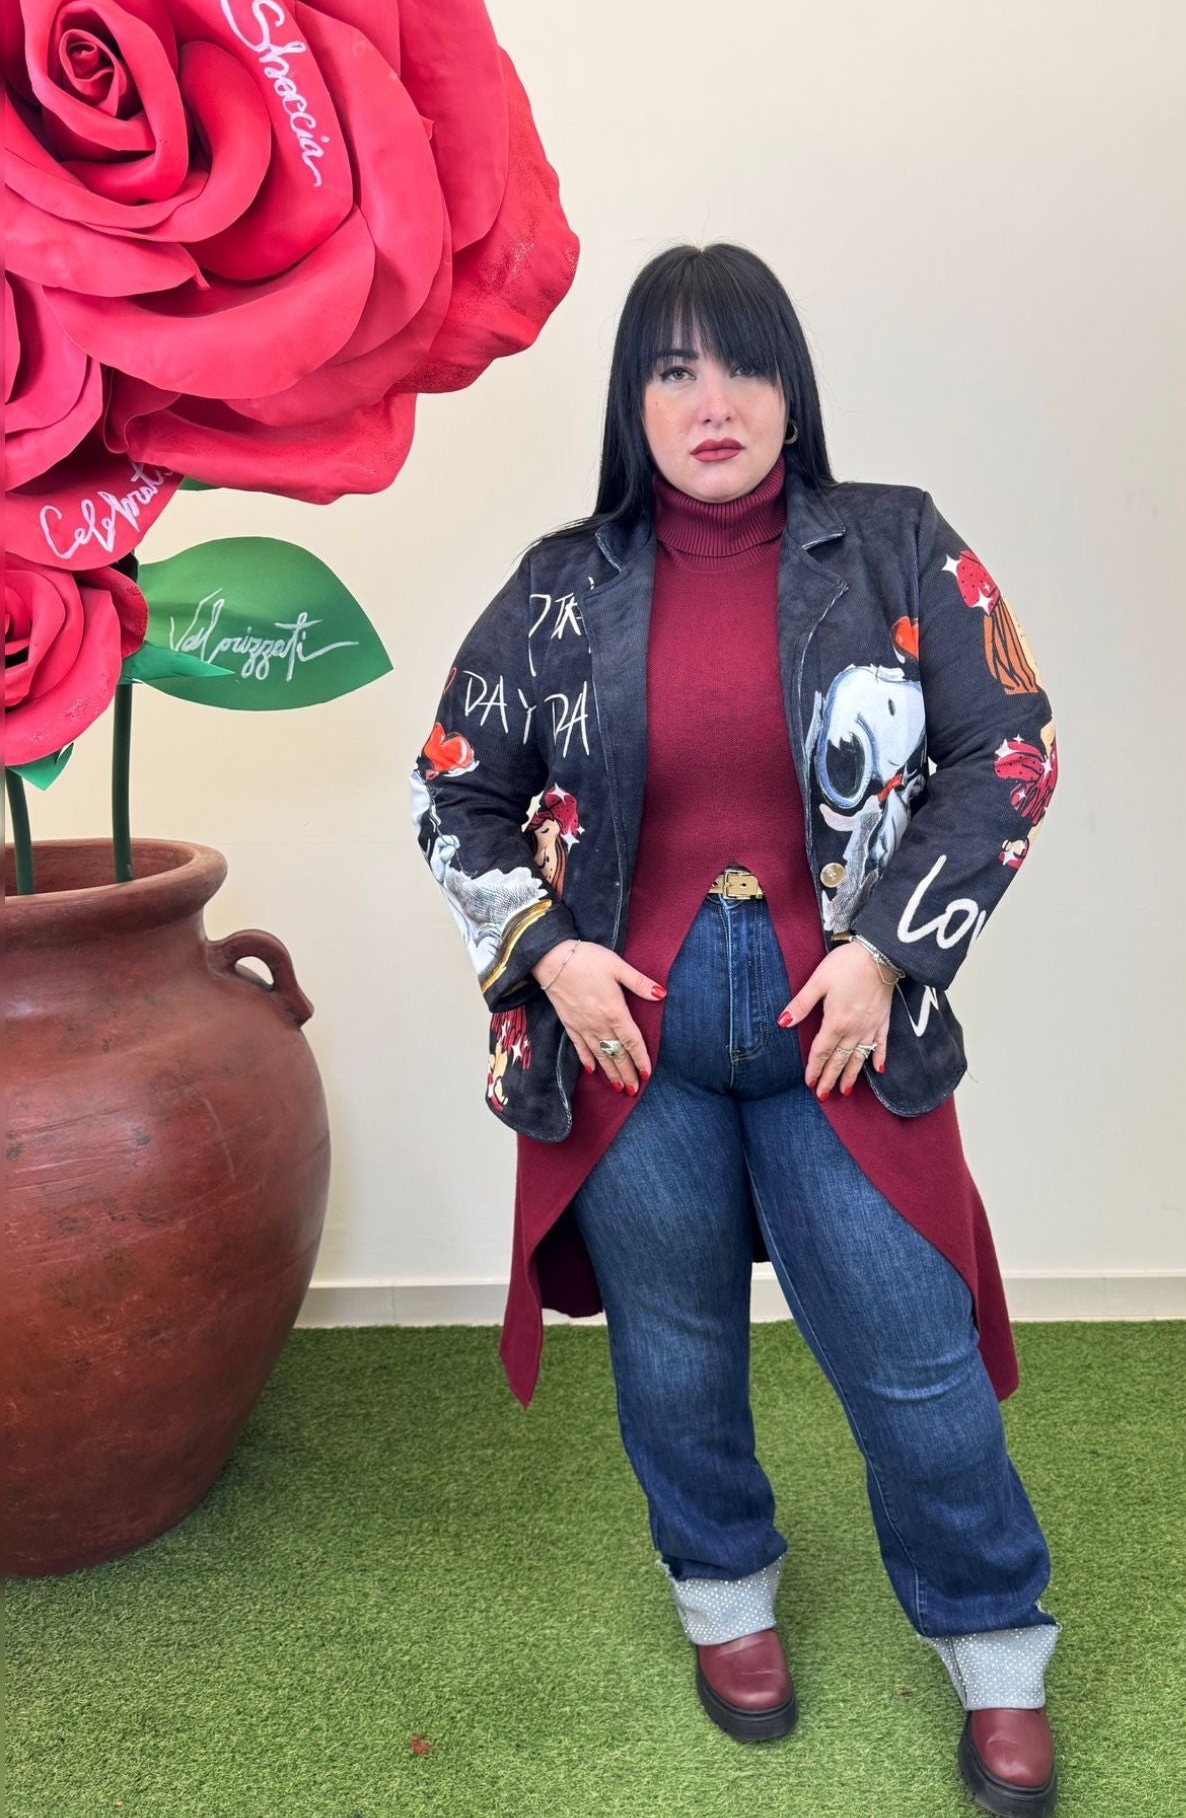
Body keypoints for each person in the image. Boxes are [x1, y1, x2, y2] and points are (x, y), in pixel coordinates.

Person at [410, 243, 1063, 1815]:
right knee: (677, 1353)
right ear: (633, 404)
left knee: (915, 1362)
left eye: (745, 365)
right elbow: (454, 792)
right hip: (632, 1049)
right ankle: (725, 1601)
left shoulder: (898, 546)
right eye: (674, 370)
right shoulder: (560, 585)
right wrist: (549, 955)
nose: (714, 401)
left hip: (839, 1027)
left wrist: (887, 953)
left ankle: (994, 1645)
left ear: (793, 388)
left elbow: (1011, 754)